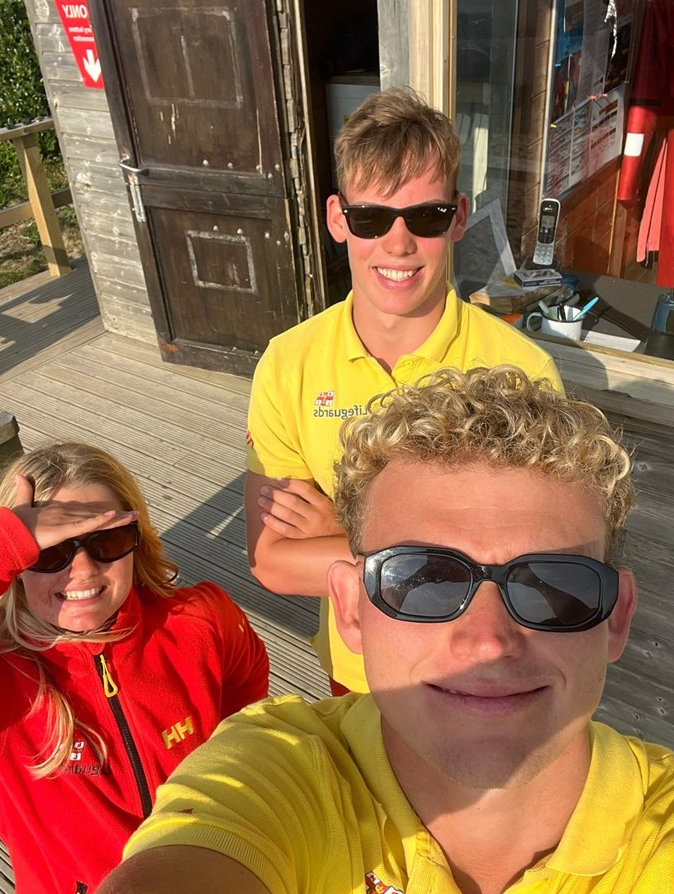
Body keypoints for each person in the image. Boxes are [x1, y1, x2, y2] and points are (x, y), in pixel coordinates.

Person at [99, 366, 673, 894]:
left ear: (616, 615)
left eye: (551, 586)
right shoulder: (279, 768)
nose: (488, 642)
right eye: (424, 579)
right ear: (349, 608)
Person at [244, 87, 564, 694]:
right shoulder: (288, 364)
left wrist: (348, 535)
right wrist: (453, 552)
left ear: (459, 216)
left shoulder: (524, 373)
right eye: (371, 217)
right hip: (357, 671)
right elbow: (273, 561)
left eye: (426, 217)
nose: (398, 243)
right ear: (338, 219)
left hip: (477, 665)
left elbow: (529, 566)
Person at [0, 442, 268, 894]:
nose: (82, 569)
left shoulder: (203, 620)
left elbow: (249, 708)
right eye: (47, 552)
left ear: (136, 538)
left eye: (106, 540)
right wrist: (0, 541)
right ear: (13, 566)